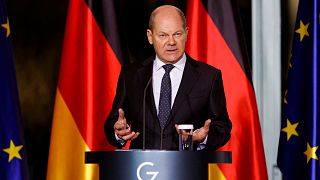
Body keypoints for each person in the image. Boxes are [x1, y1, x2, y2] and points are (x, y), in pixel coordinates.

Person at [104, 5, 231, 150]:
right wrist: (118, 132)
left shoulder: (208, 76)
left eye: (177, 34)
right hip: (142, 169)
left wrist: (201, 138)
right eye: (163, 35)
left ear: (186, 33)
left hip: (187, 168)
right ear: (150, 37)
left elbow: (222, 128)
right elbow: (114, 122)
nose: (171, 42)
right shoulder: (132, 75)